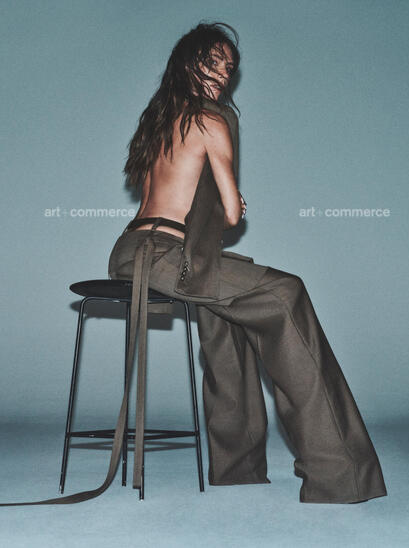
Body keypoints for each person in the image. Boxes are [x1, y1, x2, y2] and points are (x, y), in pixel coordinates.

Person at [0, 21, 387, 506]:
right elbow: (229, 215)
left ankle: (238, 469)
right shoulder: (211, 120)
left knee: (228, 309)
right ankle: (341, 472)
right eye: (213, 61)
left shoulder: (157, 122)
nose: (224, 72)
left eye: (229, 66)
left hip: (130, 250)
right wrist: (236, 203)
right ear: (189, 64)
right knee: (287, 292)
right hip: (164, 254)